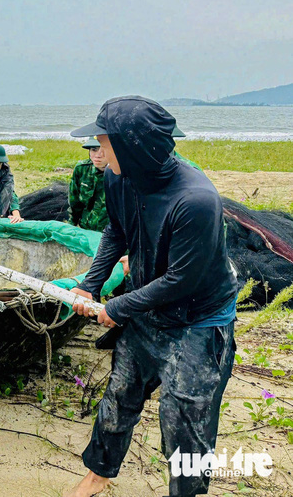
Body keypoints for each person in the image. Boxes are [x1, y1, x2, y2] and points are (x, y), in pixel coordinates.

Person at [65, 96, 237, 497]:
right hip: (147, 314)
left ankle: (186, 492)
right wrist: (91, 284)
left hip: (197, 322)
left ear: (132, 147)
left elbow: (181, 280)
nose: (98, 151)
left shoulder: (196, 201)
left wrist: (117, 306)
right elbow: (117, 232)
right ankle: (98, 475)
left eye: (104, 142)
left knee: (185, 421)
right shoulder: (118, 177)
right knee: (119, 396)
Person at [67, 137, 110, 232]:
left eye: (104, 150)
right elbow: (74, 202)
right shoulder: (82, 169)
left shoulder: (121, 174)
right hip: (86, 229)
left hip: (111, 233)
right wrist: (71, 226)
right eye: (94, 150)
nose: (98, 155)